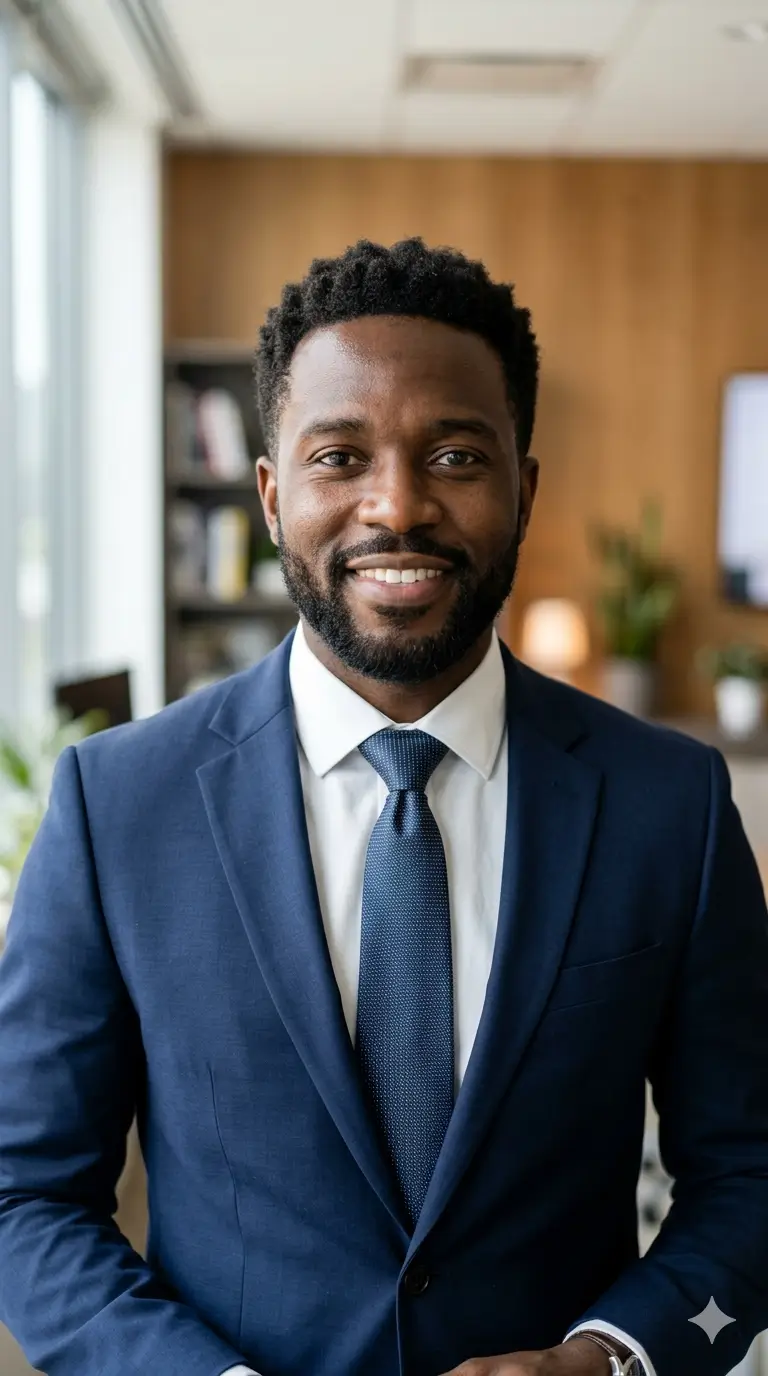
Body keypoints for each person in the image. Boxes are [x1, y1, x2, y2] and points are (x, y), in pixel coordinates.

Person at [0, 238, 766, 1376]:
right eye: (340, 456)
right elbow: (25, 1194)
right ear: (272, 496)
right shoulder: (117, 807)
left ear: (525, 490)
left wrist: (613, 1356)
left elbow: (750, 1172)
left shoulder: (673, 805)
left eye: (455, 455)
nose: (398, 505)